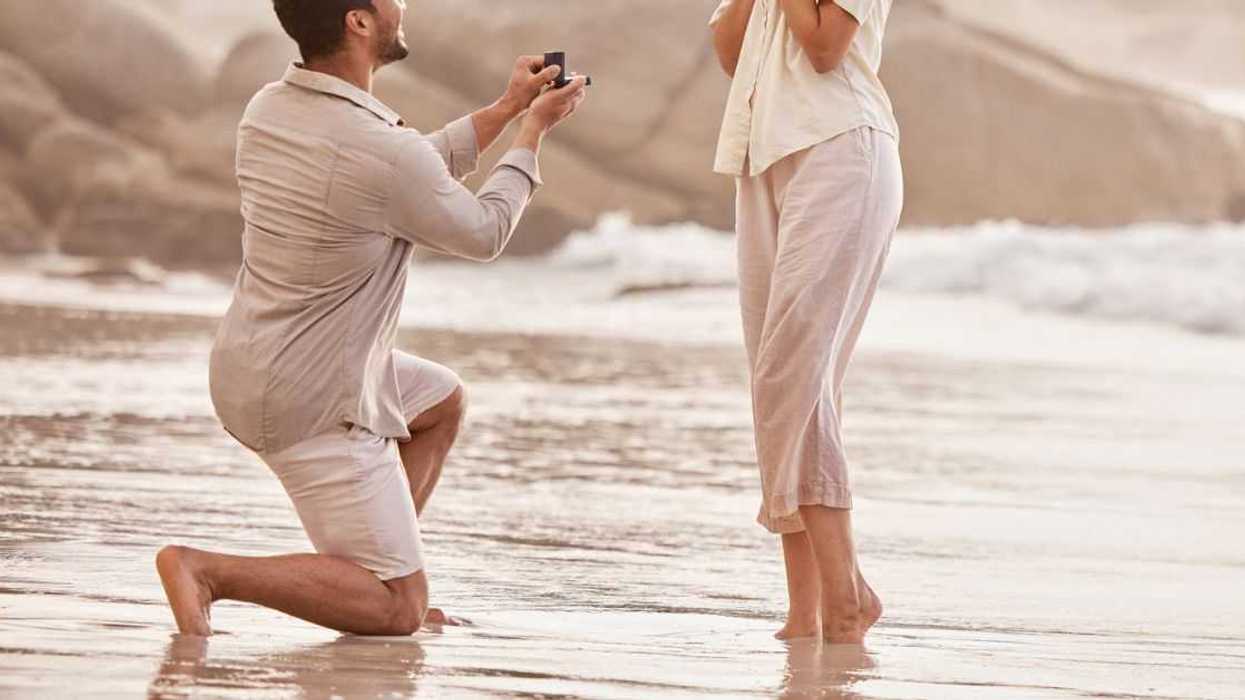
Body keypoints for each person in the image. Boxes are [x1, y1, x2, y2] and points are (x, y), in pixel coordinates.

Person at [155, 0, 588, 637]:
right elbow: (483, 231)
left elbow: (401, 172)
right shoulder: (380, 149)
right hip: (312, 398)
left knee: (439, 401)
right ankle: (214, 573)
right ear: (357, 21)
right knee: (399, 612)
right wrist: (533, 134)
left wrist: (507, 108)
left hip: (250, 365)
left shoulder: (269, 109)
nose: (401, 4)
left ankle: (378, 569)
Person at [710, 0, 903, 643]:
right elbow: (731, 55)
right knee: (778, 384)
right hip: (762, 160)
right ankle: (805, 610)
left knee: (793, 379)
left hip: (841, 150)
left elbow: (824, 47)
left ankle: (846, 599)